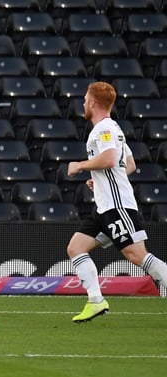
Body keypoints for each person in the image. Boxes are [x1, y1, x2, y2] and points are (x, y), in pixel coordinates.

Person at [66, 81, 167, 322]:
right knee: (75, 248)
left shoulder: (104, 129)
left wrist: (80, 166)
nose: (83, 104)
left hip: (117, 206)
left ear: (92, 103)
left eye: (84, 100)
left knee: (137, 256)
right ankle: (96, 301)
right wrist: (98, 179)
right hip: (104, 207)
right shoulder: (115, 129)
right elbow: (128, 165)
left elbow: (110, 160)